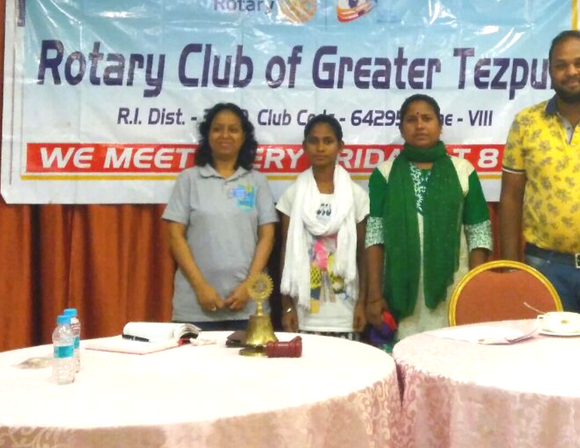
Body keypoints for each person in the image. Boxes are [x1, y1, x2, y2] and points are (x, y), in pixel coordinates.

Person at [365, 94, 492, 339]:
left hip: (454, 288)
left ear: (439, 125)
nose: (420, 125)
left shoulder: (463, 170)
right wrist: (374, 296)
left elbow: (479, 234)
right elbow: (374, 237)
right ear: (401, 129)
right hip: (399, 293)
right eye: (411, 119)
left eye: (427, 118)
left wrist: (475, 291)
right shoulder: (384, 174)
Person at [163, 102, 278, 331]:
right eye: (217, 129)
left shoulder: (256, 181)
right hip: (196, 307)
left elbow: (267, 236)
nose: (225, 135)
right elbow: (174, 235)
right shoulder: (189, 179)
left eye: (233, 129)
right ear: (207, 135)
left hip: (249, 307)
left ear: (244, 136)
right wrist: (200, 287)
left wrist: (249, 286)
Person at [501, 30, 580, 310]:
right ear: (550, 71)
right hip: (545, 267)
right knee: (547, 352)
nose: (571, 71)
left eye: (578, 63)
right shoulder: (526, 123)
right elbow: (510, 198)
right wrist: (511, 268)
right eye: (561, 65)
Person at [277, 115, 369, 339]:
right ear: (304, 147)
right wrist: (287, 306)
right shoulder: (292, 195)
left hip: (346, 313)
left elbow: (363, 255)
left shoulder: (356, 196)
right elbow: (285, 252)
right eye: (313, 141)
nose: (320, 147)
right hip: (304, 314)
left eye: (328, 141)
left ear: (340, 147)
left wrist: (362, 305)